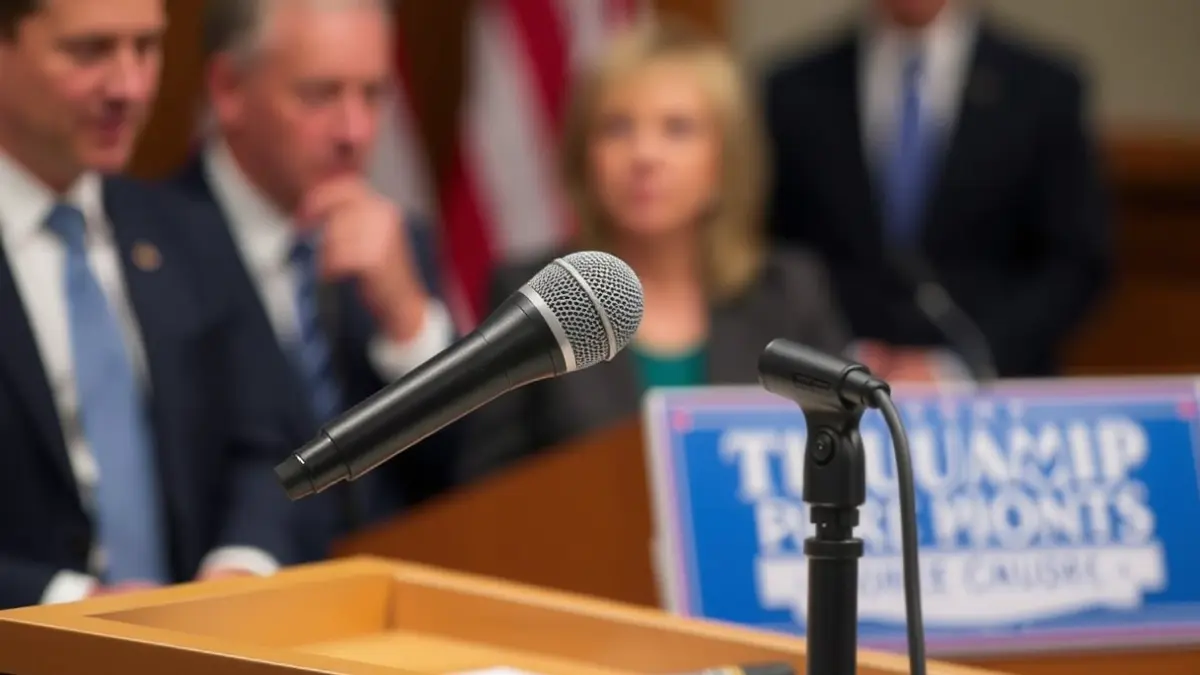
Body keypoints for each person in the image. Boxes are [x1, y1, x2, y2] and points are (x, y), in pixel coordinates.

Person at [456, 18, 850, 485]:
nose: (644, 155)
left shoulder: (789, 292)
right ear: (586, 156)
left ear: (725, 163)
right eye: (617, 128)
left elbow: (842, 457)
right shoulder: (535, 296)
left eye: (677, 129)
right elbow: (483, 488)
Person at [0, 0, 302, 609]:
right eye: (90, 51)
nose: (130, 87)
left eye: (147, 47)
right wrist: (69, 601)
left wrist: (240, 564)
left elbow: (269, 443)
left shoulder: (185, 230)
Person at [165, 0, 456, 555]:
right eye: (320, 94)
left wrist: (408, 320)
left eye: (372, 94)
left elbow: (462, 474)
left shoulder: (400, 242)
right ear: (228, 89)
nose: (355, 130)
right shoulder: (148, 242)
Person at [763, 0, 1112, 380]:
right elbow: (775, 254)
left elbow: (1075, 262)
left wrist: (960, 366)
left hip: (995, 392)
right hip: (835, 390)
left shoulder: (1044, 87)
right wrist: (841, 354)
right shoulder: (793, 89)